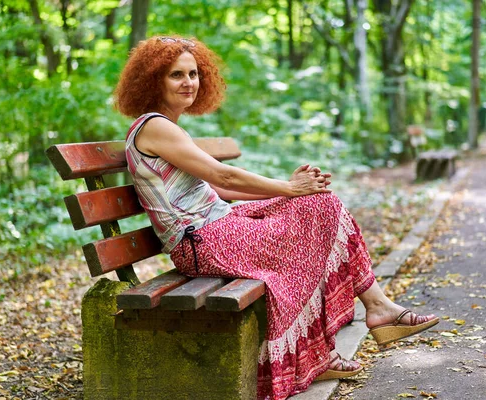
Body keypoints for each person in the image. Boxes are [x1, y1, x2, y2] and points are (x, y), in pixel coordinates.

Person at [114, 35, 439, 400]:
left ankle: (371, 313)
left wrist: (295, 191)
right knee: (311, 222)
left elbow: (223, 191)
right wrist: (289, 188)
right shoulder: (155, 127)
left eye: (193, 73)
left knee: (321, 205)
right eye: (176, 75)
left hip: (218, 227)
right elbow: (224, 177)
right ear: (153, 79)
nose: (189, 83)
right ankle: (363, 320)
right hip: (201, 242)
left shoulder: (169, 127)